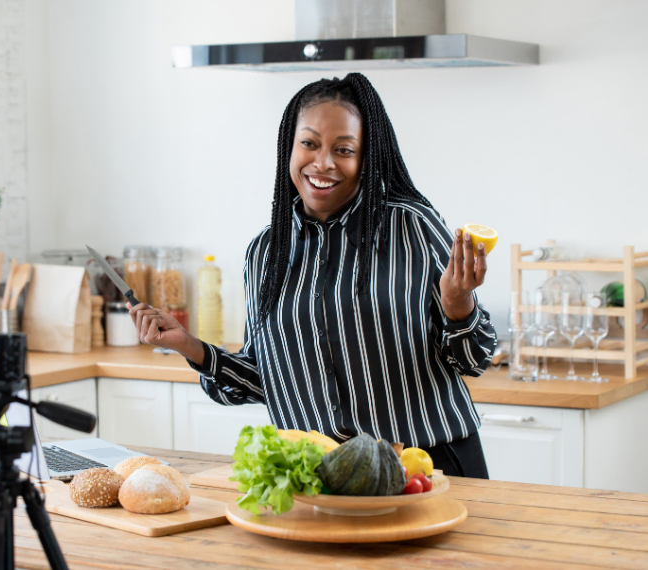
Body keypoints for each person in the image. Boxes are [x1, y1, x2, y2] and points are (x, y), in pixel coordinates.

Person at [129, 73, 497, 478]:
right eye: (309, 143)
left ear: (366, 158)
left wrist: (458, 303)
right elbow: (265, 377)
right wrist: (189, 346)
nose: (323, 163)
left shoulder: (412, 228)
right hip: (322, 476)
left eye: (344, 149)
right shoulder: (265, 253)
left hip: (428, 466)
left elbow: (474, 359)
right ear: (290, 146)